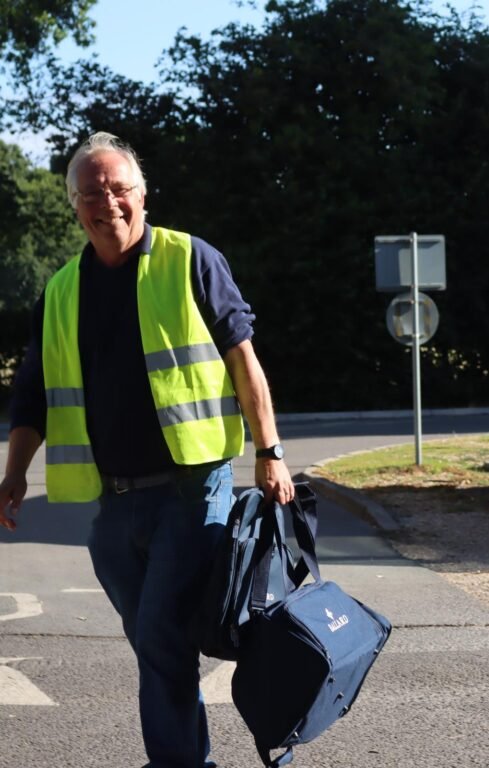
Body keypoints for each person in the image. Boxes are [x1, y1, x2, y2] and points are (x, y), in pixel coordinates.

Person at [0, 131, 294, 767]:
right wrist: (14, 474)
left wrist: (270, 450)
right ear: (75, 207)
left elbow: (244, 360)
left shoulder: (190, 259)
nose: (107, 201)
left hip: (193, 490)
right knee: (158, 642)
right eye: (91, 192)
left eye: (118, 187)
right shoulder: (59, 292)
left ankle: (177, 763)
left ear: (142, 194)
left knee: (161, 633)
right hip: (113, 508)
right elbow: (32, 395)